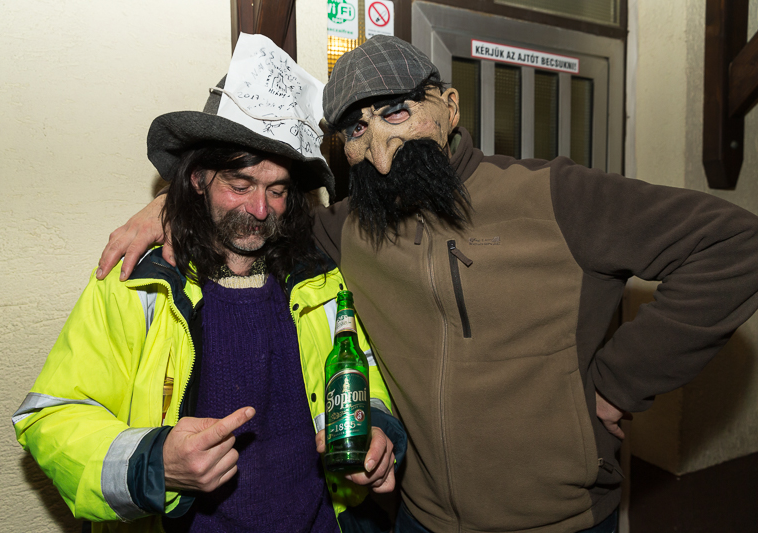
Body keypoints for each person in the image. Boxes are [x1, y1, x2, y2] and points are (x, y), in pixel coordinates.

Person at [96, 36, 758, 533]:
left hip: (560, 519)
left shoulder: (555, 195)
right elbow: (254, 218)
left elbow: (735, 244)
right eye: (357, 129)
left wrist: (618, 383)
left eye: (396, 112)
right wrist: (170, 205)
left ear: (449, 106)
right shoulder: (345, 229)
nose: (382, 149)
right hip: (418, 518)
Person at [13, 37, 405, 533]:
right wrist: (155, 463)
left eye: (277, 190)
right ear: (198, 179)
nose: (259, 209)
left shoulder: (321, 281)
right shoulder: (139, 284)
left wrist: (377, 430)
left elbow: (361, 379)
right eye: (240, 185)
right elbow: (51, 416)